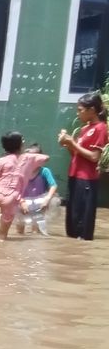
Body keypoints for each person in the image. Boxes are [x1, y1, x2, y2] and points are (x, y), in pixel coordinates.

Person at [59, 92, 108, 241]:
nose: (78, 113)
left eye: (80, 110)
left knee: (82, 223)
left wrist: (72, 143)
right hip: (74, 175)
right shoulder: (84, 129)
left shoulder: (101, 128)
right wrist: (67, 143)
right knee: (72, 219)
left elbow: (94, 157)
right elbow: (77, 155)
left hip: (86, 179)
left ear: (92, 110)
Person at [0, 131, 47, 240]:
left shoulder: (1, 160)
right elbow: (46, 158)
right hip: (11, 198)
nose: (24, 142)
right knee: (2, 236)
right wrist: (29, 155)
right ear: (20, 145)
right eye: (23, 140)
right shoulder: (26, 159)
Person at [16, 144, 59, 236]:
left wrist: (47, 199)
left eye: (35, 157)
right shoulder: (21, 171)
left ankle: (36, 236)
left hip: (40, 203)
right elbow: (16, 189)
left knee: (36, 231)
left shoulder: (45, 171)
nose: (32, 160)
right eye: (30, 157)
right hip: (23, 202)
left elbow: (53, 185)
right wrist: (21, 202)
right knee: (19, 231)